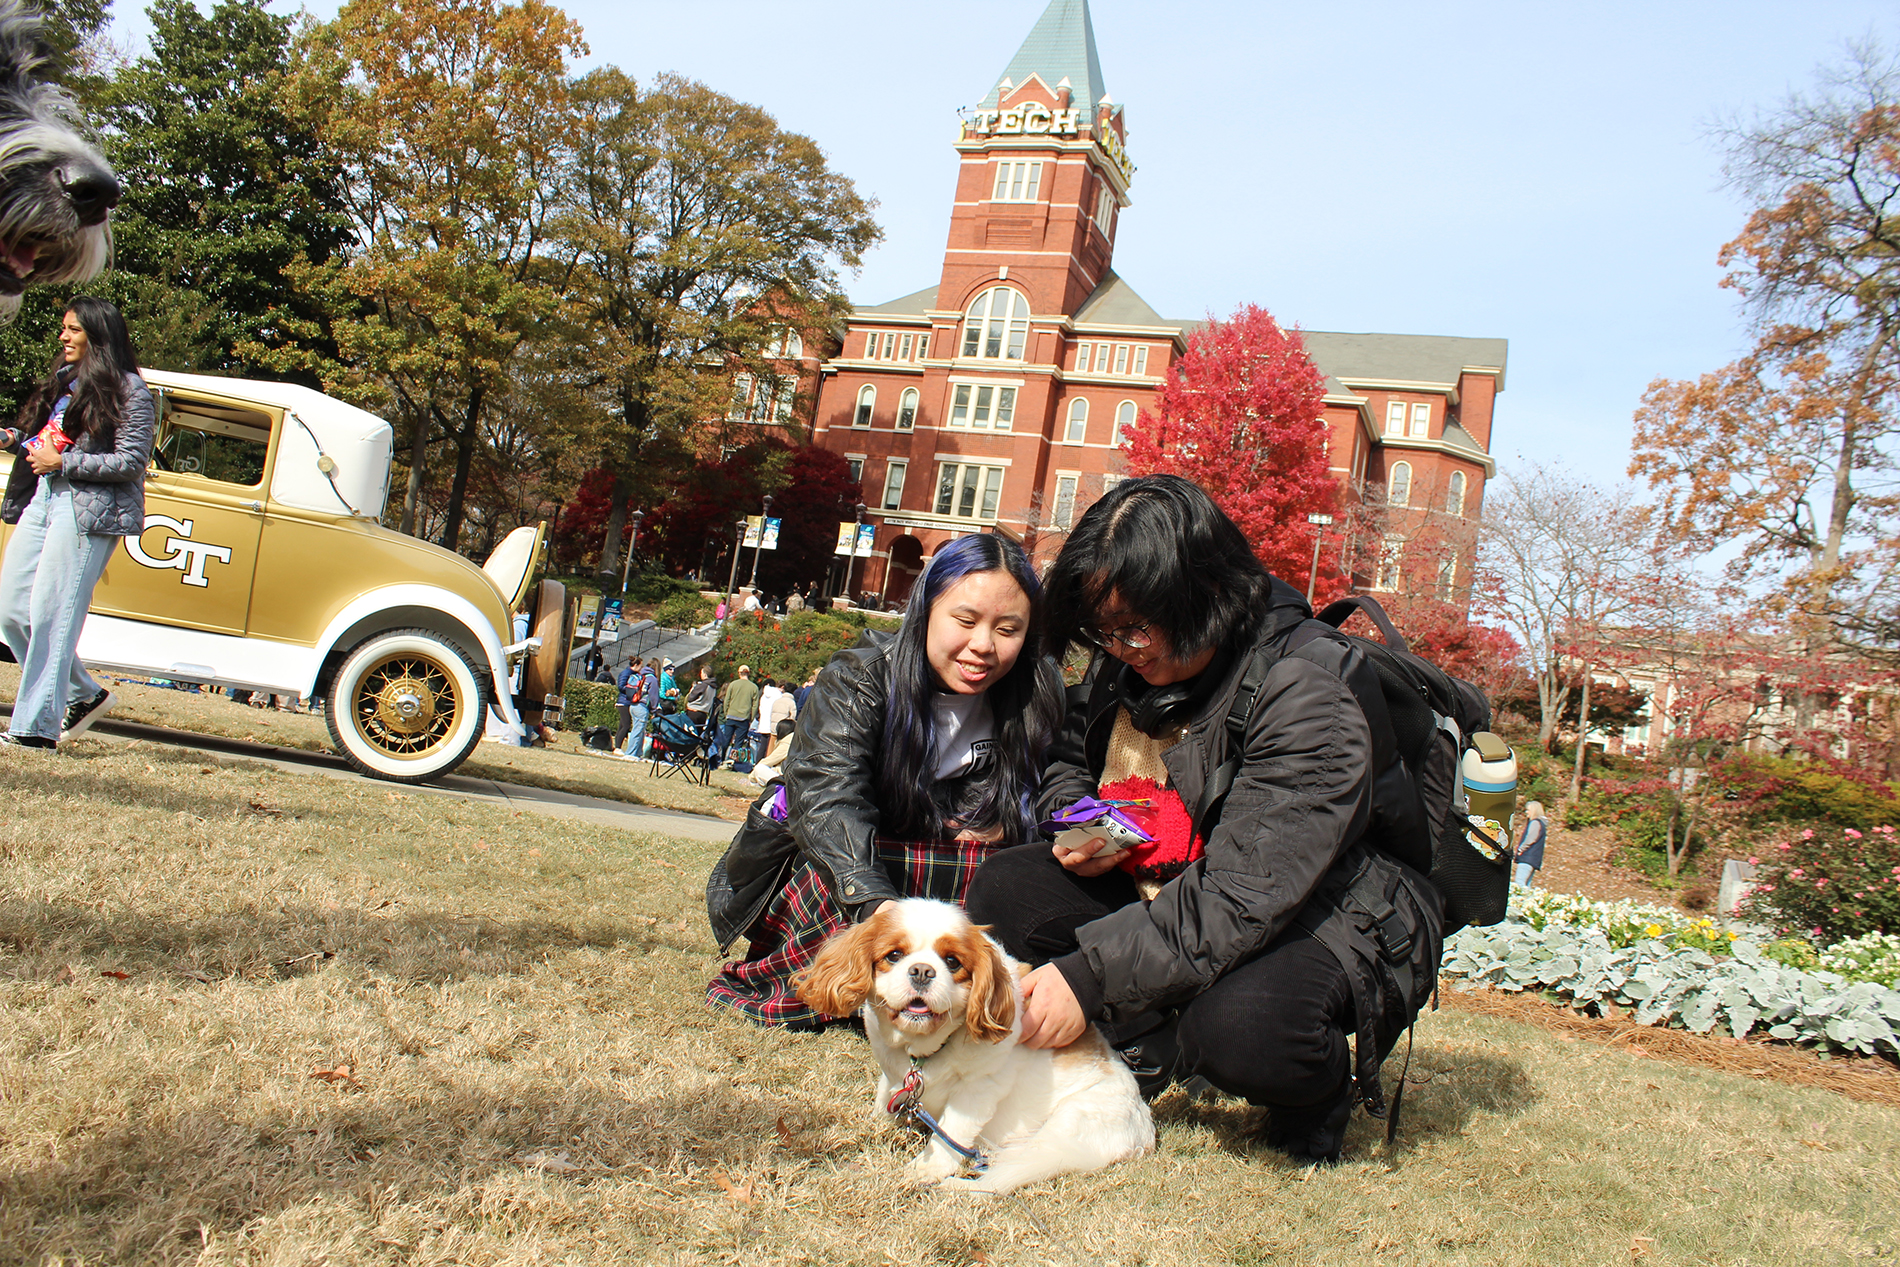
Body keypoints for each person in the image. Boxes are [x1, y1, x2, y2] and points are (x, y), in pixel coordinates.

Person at [964, 475, 1443, 1166]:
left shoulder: (1307, 689)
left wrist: (1089, 978)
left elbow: (1243, 892)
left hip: (1334, 902)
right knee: (1007, 890)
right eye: (1105, 630)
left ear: (1205, 592)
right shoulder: (1123, 657)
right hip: (1177, 875)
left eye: (1136, 627)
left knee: (1243, 1026)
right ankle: (1152, 1030)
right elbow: (1069, 752)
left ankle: (1317, 1095)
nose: (1121, 646)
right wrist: (1092, 821)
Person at [706, 533, 1064, 1028]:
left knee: (997, 875)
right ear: (926, 610)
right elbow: (828, 799)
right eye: (965, 620)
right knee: (862, 880)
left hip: (955, 874)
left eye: (1008, 629)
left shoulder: (1035, 688)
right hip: (850, 873)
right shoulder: (862, 677)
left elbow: (1049, 793)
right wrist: (878, 906)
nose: (983, 645)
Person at [0, 298, 154, 749]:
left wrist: (63, 462)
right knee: (10, 609)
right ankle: (81, 694)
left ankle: (34, 729)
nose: (64, 337)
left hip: (87, 508)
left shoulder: (130, 391)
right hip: (45, 497)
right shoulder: (67, 381)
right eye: (64, 328)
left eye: (74, 330)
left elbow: (131, 461)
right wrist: (12, 439)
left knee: (52, 616)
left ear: (98, 336)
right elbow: (48, 440)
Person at [714, 665, 759, 767]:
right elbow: (755, 705)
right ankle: (732, 762)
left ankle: (721, 759)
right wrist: (751, 718)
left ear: (739, 673)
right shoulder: (754, 687)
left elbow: (727, 700)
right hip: (743, 718)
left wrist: (726, 713)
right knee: (738, 742)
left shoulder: (733, 684)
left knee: (726, 739)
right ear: (748, 673)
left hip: (731, 716)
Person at [615, 656, 649, 755]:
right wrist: (632, 690)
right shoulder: (626, 673)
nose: (641, 668)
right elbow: (621, 686)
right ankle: (617, 747)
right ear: (635, 665)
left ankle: (618, 746)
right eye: (640, 666)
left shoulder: (634, 674)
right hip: (624, 702)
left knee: (622, 725)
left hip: (627, 702)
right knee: (626, 725)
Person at [1514, 801, 1548, 888]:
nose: (1526, 812)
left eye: (1528, 810)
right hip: (1533, 859)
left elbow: (1531, 839)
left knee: (1519, 883)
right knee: (1526, 885)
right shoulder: (1541, 824)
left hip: (1527, 858)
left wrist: (1521, 849)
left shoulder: (1535, 823)